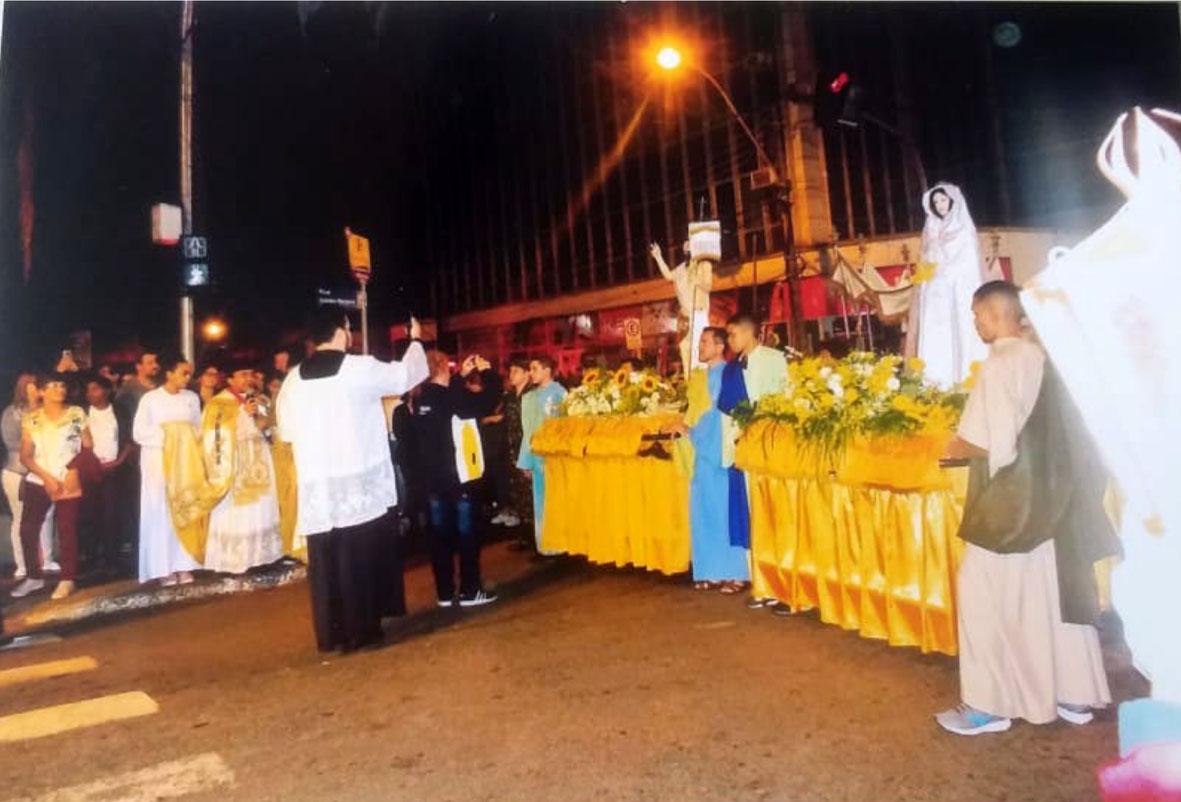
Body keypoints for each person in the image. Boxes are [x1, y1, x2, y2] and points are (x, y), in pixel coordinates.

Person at [935, 281, 1117, 735]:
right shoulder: (1046, 359)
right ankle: (1074, 694)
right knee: (1052, 596)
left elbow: (987, 442)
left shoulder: (999, 365)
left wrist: (949, 444)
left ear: (995, 314)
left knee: (980, 594)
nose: (976, 323)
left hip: (1011, 506)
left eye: (978, 315)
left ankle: (989, 705)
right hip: (1055, 506)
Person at [276, 309, 428, 652]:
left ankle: (334, 634)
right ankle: (364, 631)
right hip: (358, 479)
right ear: (342, 333)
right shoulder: (359, 368)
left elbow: (285, 431)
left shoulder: (294, 379)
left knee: (327, 562)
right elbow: (405, 376)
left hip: (319, 484)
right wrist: (415, 339)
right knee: (359, 556)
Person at [412, 351, 503, 607]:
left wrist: (461, 375)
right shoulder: (451, 397)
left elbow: (448, 399)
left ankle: (444, 591)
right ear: (442, 367)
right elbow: (486, 401)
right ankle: (470, 590)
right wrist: (487, 372)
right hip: (459, 477)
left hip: (433, 480)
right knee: (467, 534)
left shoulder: (421, 400)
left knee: (439, 537)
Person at [717, 313, 788, 611]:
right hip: (742, 448)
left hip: (770, 448)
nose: (730, 342)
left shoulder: (775, 359)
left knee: (774, 516)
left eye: (732, 335)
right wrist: (729, 452)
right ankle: (761, 584)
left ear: (748, 333)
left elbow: (783, 400)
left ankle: (783, 586)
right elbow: (726, 415)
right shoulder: (731, 370)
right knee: (750, 518)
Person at [680, 327, 750, 592]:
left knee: (724, 512)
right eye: (700, 342)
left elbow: (719, 414)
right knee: (703, 512)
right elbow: (694, 410)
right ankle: (711, 571)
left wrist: (692, 431)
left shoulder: (727, 374)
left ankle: (736, 573)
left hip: (717, 450)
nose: (700, 346)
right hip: (699, 453)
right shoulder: (700, 377)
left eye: (705, 342)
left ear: (720, 347)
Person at [11, 373, 92, 600]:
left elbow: (87, 446)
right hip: (39, 480)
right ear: (41, 391)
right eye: (54, 386)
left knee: (67, 530)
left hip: (68, 478)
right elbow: (26, 456)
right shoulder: (32, 418)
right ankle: (34, 577)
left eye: (62, 385)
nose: (60, 389)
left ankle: (68, 579)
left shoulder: (76, 414)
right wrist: (46, 478)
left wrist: (74, 470)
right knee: (27, 529)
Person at [200, 360, 284, 575]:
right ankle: (236, 561)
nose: (249, 378)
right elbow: (213, 435)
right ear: (229, 379)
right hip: (235, 466)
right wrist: (242, 414)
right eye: (243, 374)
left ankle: (265, 556)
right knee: (239, 513)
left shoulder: (258, 399)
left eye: (250, 373)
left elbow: (268, 426)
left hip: (260, 461)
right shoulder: (218, 404)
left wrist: (266, 411)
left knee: (263, 508)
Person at [908, 183, 993, 389]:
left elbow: (967, 265)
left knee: (962, 334)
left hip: (959, 292)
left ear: (953, 201)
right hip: (936, 297)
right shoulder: (931, 230)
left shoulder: (963, 230)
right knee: (938, 338)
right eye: (936, 202)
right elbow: (927, 260)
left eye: (943, 200)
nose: (940, 205)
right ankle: (936, 382)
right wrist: (929, 275)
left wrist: (945, 272)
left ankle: (966, 380)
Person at [133, 353, 202, 586]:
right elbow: (139, 432)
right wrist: (172, 433)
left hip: (185, 463)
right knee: (160, 511)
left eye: (189, 373)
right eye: (183, 372)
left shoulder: (192, 397)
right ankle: (162, 568)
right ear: (169, 373)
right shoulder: (150, 399)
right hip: (158, 462)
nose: (187, 377)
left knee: (183, 509)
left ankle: (184, 564)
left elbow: (198, 429)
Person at [2, 373, 54, 580]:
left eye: (37, 387)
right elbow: (11, 442)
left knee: (47, 515)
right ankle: (22, 564)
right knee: (21, 518)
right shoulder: (12, 413)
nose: (34, 391)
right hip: (18, 471)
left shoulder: (48, 411)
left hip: (44, 470)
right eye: (30, 387)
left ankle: (47, 560)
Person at [516, 356, 567, 556]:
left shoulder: (560, 393)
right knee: (541, 499)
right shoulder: (529, 398)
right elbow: (527, 431)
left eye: (535, 368)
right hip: (537, 455)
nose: (531, 373)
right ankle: (546, 544)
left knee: (557, 497)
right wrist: (526, 461)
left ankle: (562, 540)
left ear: (547, 370)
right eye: (530, 369)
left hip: (556, 454)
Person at [83, 375, 133, 574]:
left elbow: (129, 441)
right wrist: (91, 463)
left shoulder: (119, 411)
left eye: (94, 389)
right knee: (89, 514)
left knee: (112, 515)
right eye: (88, 390)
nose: (90, 394)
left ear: (106, 391)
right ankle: (92, 557)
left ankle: (113, 559)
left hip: (115, 470)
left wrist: (118, 461)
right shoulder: (81, 413)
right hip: (90, 470)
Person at [649, 241, 714, 372]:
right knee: (685, 348)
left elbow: (708, 286)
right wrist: (658, 256)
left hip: (699, 313)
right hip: (685, 315)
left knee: (699, 348)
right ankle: (688, 378)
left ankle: (702, 377)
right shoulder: (680, 268)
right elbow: (668, 275)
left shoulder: (703, 266)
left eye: (690, 246)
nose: (687, 248)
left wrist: (697, 280)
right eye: (685, 247)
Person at [497, 357, 532, 546]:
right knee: (517, 494)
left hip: (526, 449)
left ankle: (536, 539)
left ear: (527, 373)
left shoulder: (532, 394)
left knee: (530, 494)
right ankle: (524, 535)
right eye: (510, 372)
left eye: (516, 371)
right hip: (512, 451)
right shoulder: (510, 397)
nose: (511, 375)